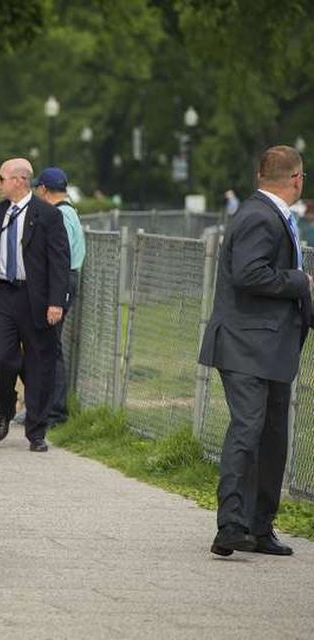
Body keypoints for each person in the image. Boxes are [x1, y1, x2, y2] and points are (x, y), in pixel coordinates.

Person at [199, 145, 309, 557]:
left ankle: (260, 526)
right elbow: (249, 274)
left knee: (272, 436)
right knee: (247, 430)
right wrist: (300, 281)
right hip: (246, 344)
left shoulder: (269, 214)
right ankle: (230, 525)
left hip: (272, 344)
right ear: (296, 178)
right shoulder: (258, 215)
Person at [0, 158, 70, 452]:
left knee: (40, 363)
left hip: (35, 299)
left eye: (1, 178)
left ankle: (37, 431)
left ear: (18, 180)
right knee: (3, 358)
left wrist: (56, 301)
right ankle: (4, 410)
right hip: (2, 295)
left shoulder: (47, 215)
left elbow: (59, 261)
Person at [32, 167, 85, 426]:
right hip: (67, 278)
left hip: (61, 280)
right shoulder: (70, 212)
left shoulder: (58, 216)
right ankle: (47, 408)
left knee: (50, 347)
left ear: (43, 189)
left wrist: (55, 295)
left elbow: (58, 257)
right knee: (50, 346)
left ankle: (55, 411)